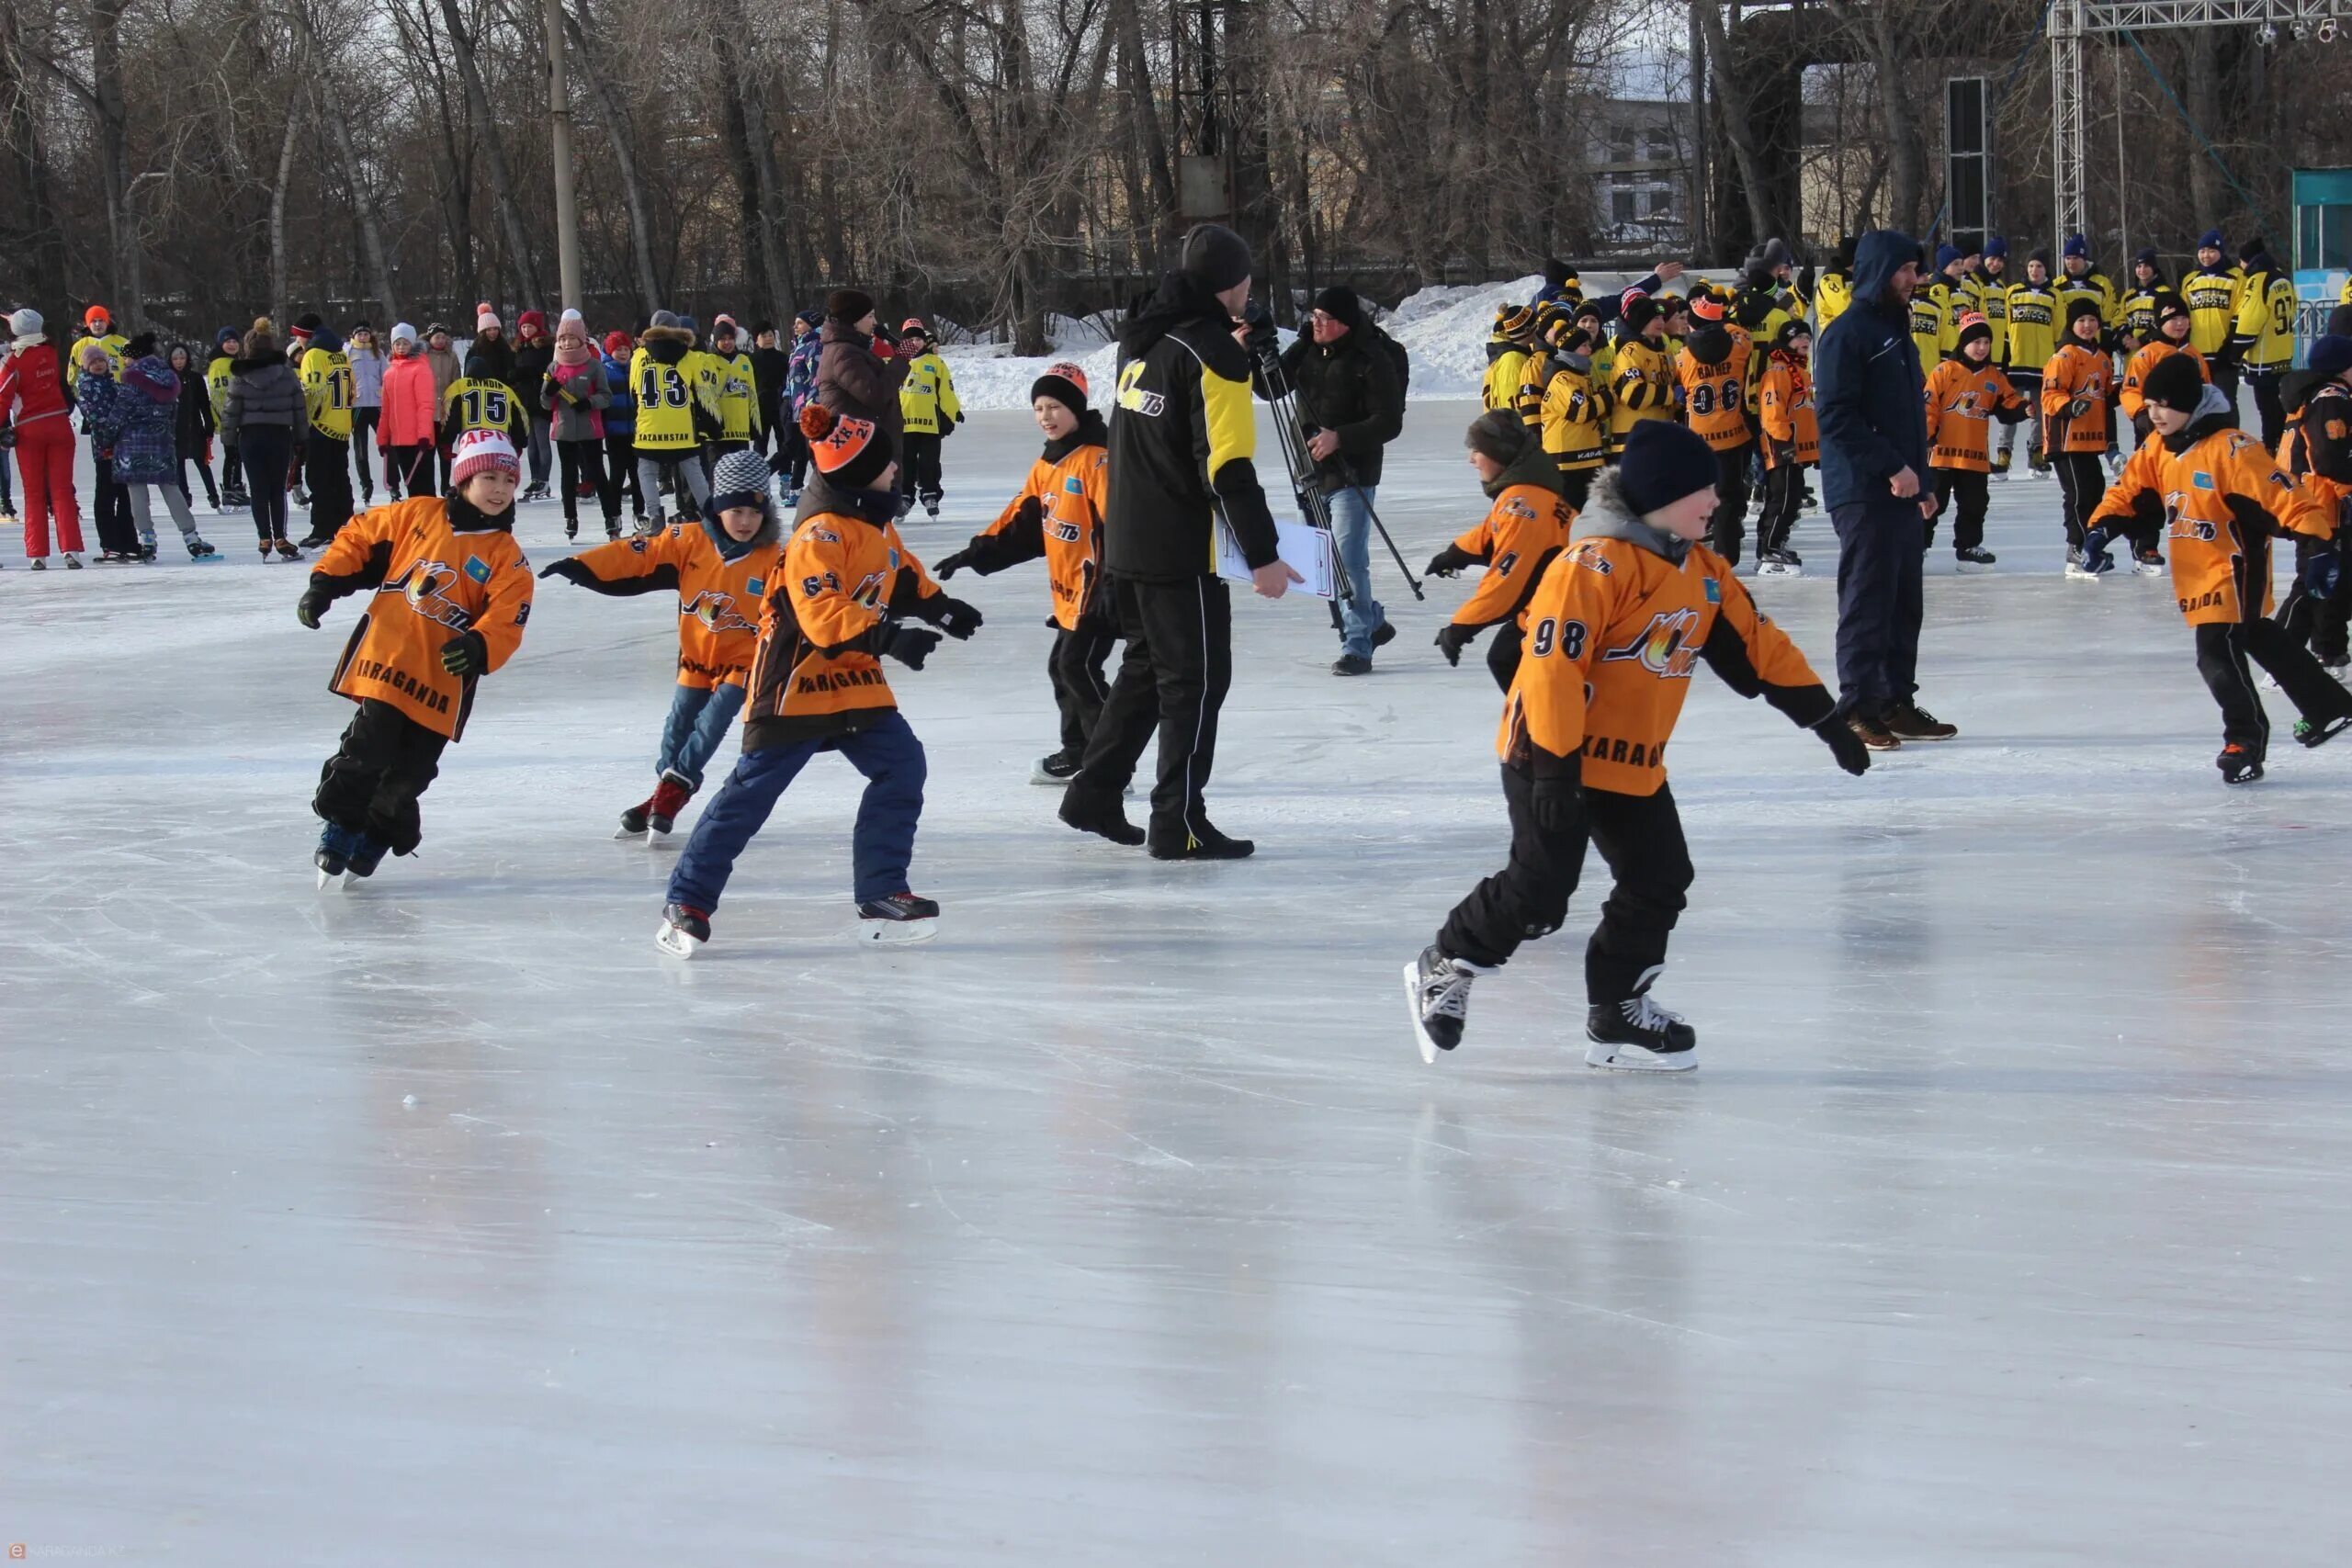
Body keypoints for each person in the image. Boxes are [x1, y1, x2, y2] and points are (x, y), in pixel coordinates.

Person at [1403, 418, 1869, 1073]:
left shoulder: (1703, 571)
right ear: (1661, 495)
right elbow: (1552, 671)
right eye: (1702, 490)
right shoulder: (1591, 566)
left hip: (1630, 761)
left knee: (1659, 878)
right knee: (1540, 891)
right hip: (1549, 751)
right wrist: (1555, 773)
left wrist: (1827, 721)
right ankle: (1448, 962)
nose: (1715, 500)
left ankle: (1617, 1008)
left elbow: (1761, 648)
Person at [654, 403, 982, 955]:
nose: (895, 469)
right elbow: (821, 611)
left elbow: (899, 577)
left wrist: (941, 608)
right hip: (794, 685)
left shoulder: (875, 526)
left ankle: (881, 891)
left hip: (854, 682)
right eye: (885, 462)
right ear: (858, 472)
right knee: (750, 796)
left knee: (902, 765)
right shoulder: (819, 533)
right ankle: (687, 900)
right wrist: (888, 637)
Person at [1054, 223, 1298, 860]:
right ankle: (1178, 821)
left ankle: (1094, 792)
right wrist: (1265, 555)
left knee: (1144, 671)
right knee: (1196, 682)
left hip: (1128, 539)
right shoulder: (1213, 354)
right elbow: (1226, 466)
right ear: (1233, 284)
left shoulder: (1147, 340)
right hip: (1179, 547)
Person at [2083, 353, 2352, 782]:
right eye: (2150, 406)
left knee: (2215, 652)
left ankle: (2244, 740)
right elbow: (2129, 491)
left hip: (2234, 567)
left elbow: (2286, 498)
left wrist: (2318, 545)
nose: (2155, 415)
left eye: (2164, 405)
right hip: (2196, 571)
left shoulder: (2232, 449)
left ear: (2189, 403)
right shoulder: (2158, 447)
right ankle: (2329, 706)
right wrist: (2100, 529)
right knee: (2258, 635)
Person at [295, 428, 535, 881]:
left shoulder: (508, 557)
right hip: (388, 661)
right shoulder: (418, 514)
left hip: (441, 683)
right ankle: (342, 825)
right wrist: (324, 584)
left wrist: (478, 644)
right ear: (463, 479)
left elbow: (509, 617)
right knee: (367, 750)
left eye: (508, 481)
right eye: (489, 478)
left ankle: (379, 833)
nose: (500, 490)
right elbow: (359, 537)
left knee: (412, 772)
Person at [540, 447, 787, 838]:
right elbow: (636, 555)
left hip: (744, 665)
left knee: (711, 725)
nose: (745, 522)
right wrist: (581, 565)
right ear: (718, 508)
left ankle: (673, 790)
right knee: (677, 729)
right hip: (695, 660)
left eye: (755, 513)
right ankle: (663, 795)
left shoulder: (775, 558)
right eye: (736, 511)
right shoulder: (687, 541)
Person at [933, 363, 1115, 782]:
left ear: (1076, 408)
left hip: (1101, 591)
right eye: (1039, 408)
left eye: (1055, 407)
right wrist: (975, 553)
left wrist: (1116, 585)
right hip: (1069, 594)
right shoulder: (1048, 464)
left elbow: (1122, 528)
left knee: (1078, 668)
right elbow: (1020, 523)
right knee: (1062, 668)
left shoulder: (1097, 461)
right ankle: (1079, 752)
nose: (1046, 416)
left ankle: (1109, 763)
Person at [1814, 230, 1954, 751]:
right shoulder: (1846, 334)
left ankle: (1894, 701)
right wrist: (1892, 467)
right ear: (1879, 270)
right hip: (1862, 490)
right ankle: (1857, 708)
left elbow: (1910, 420)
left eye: (1916, 270)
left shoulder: (1897, 333)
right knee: (1868, 599)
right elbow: (1835, 417)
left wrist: (1923, 483)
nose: (1915, 279)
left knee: (1903, 602)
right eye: (1906, 270)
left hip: (1902, 490)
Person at [1254, 286, 1405, 674]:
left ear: (1345, 323)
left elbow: (1389, 421)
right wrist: (1250, 352)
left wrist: (1340, 437)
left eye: (1324, 318)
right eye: (1314, 316)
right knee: (1322, 561)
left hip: (1352, 474)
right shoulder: (1305, 348)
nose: (1316, 323)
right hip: (1309, 472)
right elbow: (1270, 389)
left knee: (1347, 561)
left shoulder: (1372, 358)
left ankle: (1357, 645)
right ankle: (1371, 621)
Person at [1425, 410, 1574, 693]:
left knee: (1508, 659)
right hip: (1551, 600)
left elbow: (1507, 584)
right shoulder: (1523, 493)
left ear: (1498, 454)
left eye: (1477, 451)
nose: (1471, 460)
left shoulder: (1524, 506)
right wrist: (1455, 554)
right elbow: (1492, 532)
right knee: (1505, 657)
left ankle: (1542, 720)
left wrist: (1461, 627)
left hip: (1565, 608)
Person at [92, 336, 217, 560]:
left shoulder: (131, 381)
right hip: (161, 442)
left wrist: (106, 440)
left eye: (126, 358)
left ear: (134, 357)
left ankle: (147, 539)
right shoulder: (169, 378)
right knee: (170, 488)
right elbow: (174, 415)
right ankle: (191, 537)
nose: (125, 362)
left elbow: (119, 415)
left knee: (137, 491)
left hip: (132, 445)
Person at [1922, 312, 2025, 570]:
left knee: (1975, 505)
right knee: (1933, 503)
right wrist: (1927, 434)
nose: (1981, 348)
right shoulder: (1944, 371)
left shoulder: (1994, 376)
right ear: (1963, 343)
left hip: (1975, 456)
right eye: (1976, 342)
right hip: (1942, 454)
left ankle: (1968, 548)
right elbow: (1928, 406)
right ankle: (1917, 544)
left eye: (1986, 342)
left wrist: (2023, 408)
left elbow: (2008, 402)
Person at [2273, 336, 2352, 672]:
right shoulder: (2331, 400)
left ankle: (2329, 650)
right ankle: (2278, 654)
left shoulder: (2318, 397)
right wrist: (2348, 491)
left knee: (2336, 582)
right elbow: (2328, 458)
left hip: (2315, 503)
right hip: (2320, 507)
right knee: (2314, 583)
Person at [2044, 298, 2126, 577]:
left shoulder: (2102, 358)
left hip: (2091, 440)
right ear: (2071, 324)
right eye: (2081, 320)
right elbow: (2051, 395)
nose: (2087, 325)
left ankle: (2090, 547)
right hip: (2066, 439)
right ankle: (2076, 548)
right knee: (2078, 494)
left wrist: (2125, 389)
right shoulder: (2065, 356)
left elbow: (2104, 397)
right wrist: (2070, 407)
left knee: (2094, 490)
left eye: (2092, 320)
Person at [1672, 288, 1754, 564]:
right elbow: (1743, 335)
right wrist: (1721, 321)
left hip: (1699, 438)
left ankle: (1692, 553)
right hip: (1732, 435)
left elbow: (1676, 389)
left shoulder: (1683, 358)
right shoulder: (1738, 348)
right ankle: (1727, 556)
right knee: (1728, 498)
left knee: (1697, 496)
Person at [0, 307, 85, 569]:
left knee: (34, 492)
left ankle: (37, 554)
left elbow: (3, 397)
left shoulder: (13, 362)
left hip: (30, 430)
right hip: (59, 425)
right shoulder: (50, 353)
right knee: (62, 490)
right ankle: (71, 550)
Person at [221, 318, 306, 559]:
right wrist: (301, 438)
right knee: (276, 489)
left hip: (250, 436)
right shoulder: (286, 373)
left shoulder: (240, 375)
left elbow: (231, 410)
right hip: (279, 435)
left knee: (258, 489)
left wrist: (229, 440)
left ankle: (264, 537)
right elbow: (299, 407)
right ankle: (280, 537)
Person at [628, 311, 712, 529]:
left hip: (650, 427)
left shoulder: (638, 356)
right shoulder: (690, 356)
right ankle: (711, 514)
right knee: (693, 470)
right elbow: (702, 394)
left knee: (646, 470)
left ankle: (655, 516)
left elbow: (634, 393)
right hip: (681, 426)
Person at [540, 313, 617, 540]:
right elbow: (545, 404)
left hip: (589, 429)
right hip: (564, 430)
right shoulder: (554, 367)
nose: (566, 343)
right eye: (562, 339)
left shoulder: (593, 366)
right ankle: (570, 517)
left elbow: (606, 396)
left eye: (571, 338)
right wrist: (549, 393)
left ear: (581, 339)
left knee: (597, 472)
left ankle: (610, 517)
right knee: (568, 475)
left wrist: (589, 402)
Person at [1755, 317, 1819, 574]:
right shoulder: (1779, 371)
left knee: (1789, 501)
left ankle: (1770, 546)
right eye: (1799, 337)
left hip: (1796, 450)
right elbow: (1772, 412)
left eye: (1808, 337)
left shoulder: (1800, 371)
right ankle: (1770, 549)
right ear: (1787, 341)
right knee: (1783, 501)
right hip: (1782, 448)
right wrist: (1784, 444)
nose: (1805, 341)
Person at [73, 344, 141, 561]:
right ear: (86, 366)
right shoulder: (85, 386)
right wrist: (113, 431)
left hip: (123, 447)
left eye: (101, 361)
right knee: (106, 495)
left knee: (125, 495)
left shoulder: (114, 384)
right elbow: (94, 416)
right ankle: (110, 543)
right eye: (93, 362)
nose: (98, 365)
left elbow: (127, 408)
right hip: (104, 448)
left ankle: (128, 541)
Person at [815, 289, 908, 448]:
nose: (875, 322)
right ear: (854, 320)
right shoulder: (844, 353)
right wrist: (901, 360)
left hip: (864, 444)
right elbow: (874, 394)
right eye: (870, 316)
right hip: (856, 448)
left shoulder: (851, 348)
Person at [1530, 319, 1606, 509]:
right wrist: (1607, 398)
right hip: (1566, 463)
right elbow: (1582, 410)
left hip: (1586, 458)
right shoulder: (1561, 380)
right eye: (1584, 346)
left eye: (1589, 345)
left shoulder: (1581, 377)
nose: (1589, 350)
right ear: (1571, 349)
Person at [2230, 243, 2299, 448]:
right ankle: (2285, 444)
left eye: (2241, 261)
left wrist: (2235, 352)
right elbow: (2294, 306)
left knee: (2267, 408)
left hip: (2264, 357)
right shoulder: (2281, 277)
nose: (2240, 266)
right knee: (2281, 406)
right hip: (2283, 352)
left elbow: (2250, 320)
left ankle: (2272, 447)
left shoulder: (2258, 280)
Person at [894, 319, 963, 519]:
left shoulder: (935, 363)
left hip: (929, 425)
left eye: (918, 339)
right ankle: (905, 496)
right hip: (904, 425)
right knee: (905, 462)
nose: (914, 343)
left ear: (925, 341)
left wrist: (952, 412)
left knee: (929, 461)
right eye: (910, 340)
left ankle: (930, 492)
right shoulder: (896, 363)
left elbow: (946, 391)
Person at [295, 323, 355, 547]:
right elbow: (353, 389)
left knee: (318, 480)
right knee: (340, 478)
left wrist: (307, 420)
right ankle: (346, 524)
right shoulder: (341, 354)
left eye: (299, 337)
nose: (298, 343)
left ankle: (322, 529)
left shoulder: (313, 355)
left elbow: (313, 390)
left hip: (321, 426)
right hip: (342, 425)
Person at [2117, 296, 2206, 444]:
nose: (2180, 323)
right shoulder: (2148, 354)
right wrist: (2142, 413)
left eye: (2184, 318)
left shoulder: (2195, 355)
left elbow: (2206, 388)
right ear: (2160, 322)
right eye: (2173, 319)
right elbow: (2130, 390)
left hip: (2189, 428)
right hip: (2153, 427)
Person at [2002, 250, 2059, 475]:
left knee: (2038, 410)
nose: (2035, 270)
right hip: (2017, 359)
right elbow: (2006, 326)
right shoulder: (2013, 292)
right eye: (2031, 266)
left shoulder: (2054, 295)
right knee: (2011, 409)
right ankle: (2004, 453)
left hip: (2041, 362)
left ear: (2046, 269)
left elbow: (2058, 329)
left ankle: (2036, 454)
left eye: (2039, 266)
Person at [2181, 229, 2244, 412]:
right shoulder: (2190, 280)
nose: (2206, 255)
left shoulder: (2237, 277)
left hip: (2224, 353)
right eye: (2202, 251)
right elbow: (2183, 314)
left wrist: (2232, 347)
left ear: (2220, 252)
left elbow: (2241, 314)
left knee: (2226, 403)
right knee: (2197, 404)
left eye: (2211, 251)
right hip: (2197, 354)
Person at [1605, 296, 1675, 459]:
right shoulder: (1630, 351)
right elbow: (1634, 394)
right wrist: (1671, 394)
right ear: (1641, 321)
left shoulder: (1665, 351)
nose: (1661, 322)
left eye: (1662, 318)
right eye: (1655, 318)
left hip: (1659, 435)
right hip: (1633, 438)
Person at [376, 322, 439, 500]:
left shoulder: (420, 369)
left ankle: (428, 516)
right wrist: (382, 438)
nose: (401, 347)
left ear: (412, 344)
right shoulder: (390, 373)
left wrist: (424, 435)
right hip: (399, 440)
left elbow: (425, 405)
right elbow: (386, 410)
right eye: (397, 343)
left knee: (424, 488)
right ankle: (415, 517)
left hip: (418, 440)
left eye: (405, 343)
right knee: (412, 488)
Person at [167, 344, 220, 512]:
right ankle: (185, 497)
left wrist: (209, 425)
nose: (179, 362)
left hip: (195, 428)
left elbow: (204, 403)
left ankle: (213, 496)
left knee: (202, 463)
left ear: (187, 359)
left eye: (182, 358)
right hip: (175, 430)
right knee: (179, 465)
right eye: (175, 358)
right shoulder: (166, 379)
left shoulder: (195, 378)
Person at [509, 309, 555, 500]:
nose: (526, 330)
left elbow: (546, 372)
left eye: (530, 326)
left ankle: (544, 480)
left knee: (542, 442)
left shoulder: (545, 347)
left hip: (540, 401)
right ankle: (536, 478)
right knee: (532, 445)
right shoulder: (519, 347)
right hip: (525, 402)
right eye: (523, 327)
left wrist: (529, 373)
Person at [779, 310, 823, 499]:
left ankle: (826, 491)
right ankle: (797, 489)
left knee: (814, 452)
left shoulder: (816, 345)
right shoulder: (799, 345)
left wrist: (812, 404)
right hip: (797, 407)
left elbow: (816, 378)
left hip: (811, 407)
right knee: (799, 450)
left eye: (800, 323)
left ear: (811, 325)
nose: (795, 326)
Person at [599, 330, 641, 525]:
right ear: (610, 351)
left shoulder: (635, 369)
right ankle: (614, 514)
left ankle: (639, 512)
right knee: (617, 474)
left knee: (637, 474)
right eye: (618, 350)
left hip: (635, 432)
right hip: (614, 432)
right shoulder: (605, 372)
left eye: (626, 349)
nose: (623, 353)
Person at [707, 314, 762, 461]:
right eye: (723, 339)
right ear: (715, 340)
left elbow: (752, 394)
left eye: (730, 338)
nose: (727, 342)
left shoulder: (744, 361)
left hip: (740, 429)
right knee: (718, 469)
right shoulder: (708, 361)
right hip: (718, 431)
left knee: (740, 470)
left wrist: (754, 424)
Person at [205, 327, 249, 509]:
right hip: (229, 416)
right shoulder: (220, 364)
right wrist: (226, 415)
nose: (232, 345)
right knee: (232, 454)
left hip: (236, 415)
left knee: (237, 454)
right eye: (228, 341)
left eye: (234, 341)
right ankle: (230, 488)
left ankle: (236, 485)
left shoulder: (233, 361)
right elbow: (219, 393)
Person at [345, 323, 385, 507]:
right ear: (354, 336)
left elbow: (386, 375)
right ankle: (366, 485)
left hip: (376, 404)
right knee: (361, 449)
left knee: (387, 445)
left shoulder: (377, 353)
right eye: (359, 334)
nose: (363, 337)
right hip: (358, 405)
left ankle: (392, 485)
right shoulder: (348, 352)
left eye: (366, 334)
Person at [423, 323, 462, 491]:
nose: (440, 340)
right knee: (428, 453)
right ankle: (429, 487)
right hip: (428, 412)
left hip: (445, 411)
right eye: (437, 337)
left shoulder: (451, 356)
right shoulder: (423, 356)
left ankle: (445, 485)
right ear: (429, 339)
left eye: (443, 337)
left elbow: (456, 382)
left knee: (445, 451)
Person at [749, 321, 788, 468]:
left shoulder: (783, 358)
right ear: (756, 340)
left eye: (771, 335)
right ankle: (756, 473)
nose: (768, 339)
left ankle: (785, 473)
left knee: (784, 441)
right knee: (760, 444)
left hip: (780, 405)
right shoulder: (751, 360)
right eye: (764, 336)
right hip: (760, 407)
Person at [1482, 305, 1537, 412]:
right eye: (1536, 324)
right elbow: (1511, 406)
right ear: (1527, 330)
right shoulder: (1513, 360)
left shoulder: (1519, 354)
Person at [2119, 249, 2167, 345]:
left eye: (2146, 266)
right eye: (2139, 266)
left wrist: (2141, 340)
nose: (2142, 270)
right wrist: (2124, 334)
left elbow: (2167, 325)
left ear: (2153, 267)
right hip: (2133, 352)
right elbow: (2118, 321)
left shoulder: (2164, 293)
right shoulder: (2128, 296)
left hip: (2156, 350)